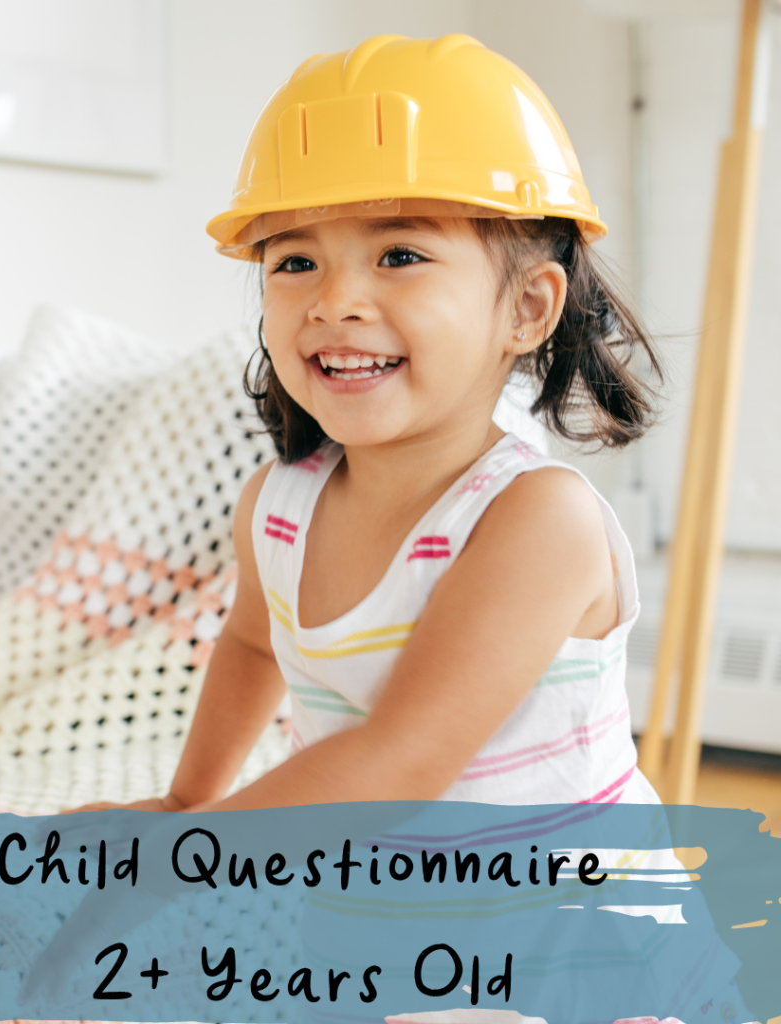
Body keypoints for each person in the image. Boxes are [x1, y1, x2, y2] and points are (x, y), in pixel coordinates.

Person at [68, 33, 662, 815]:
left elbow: (401, 761)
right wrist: (185, 802)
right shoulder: (276, 511)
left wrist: (186, 850)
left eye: (400, 255)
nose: (334, 300)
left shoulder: (540, 520)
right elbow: (252, 646)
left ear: (526, 309)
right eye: (295, 262)